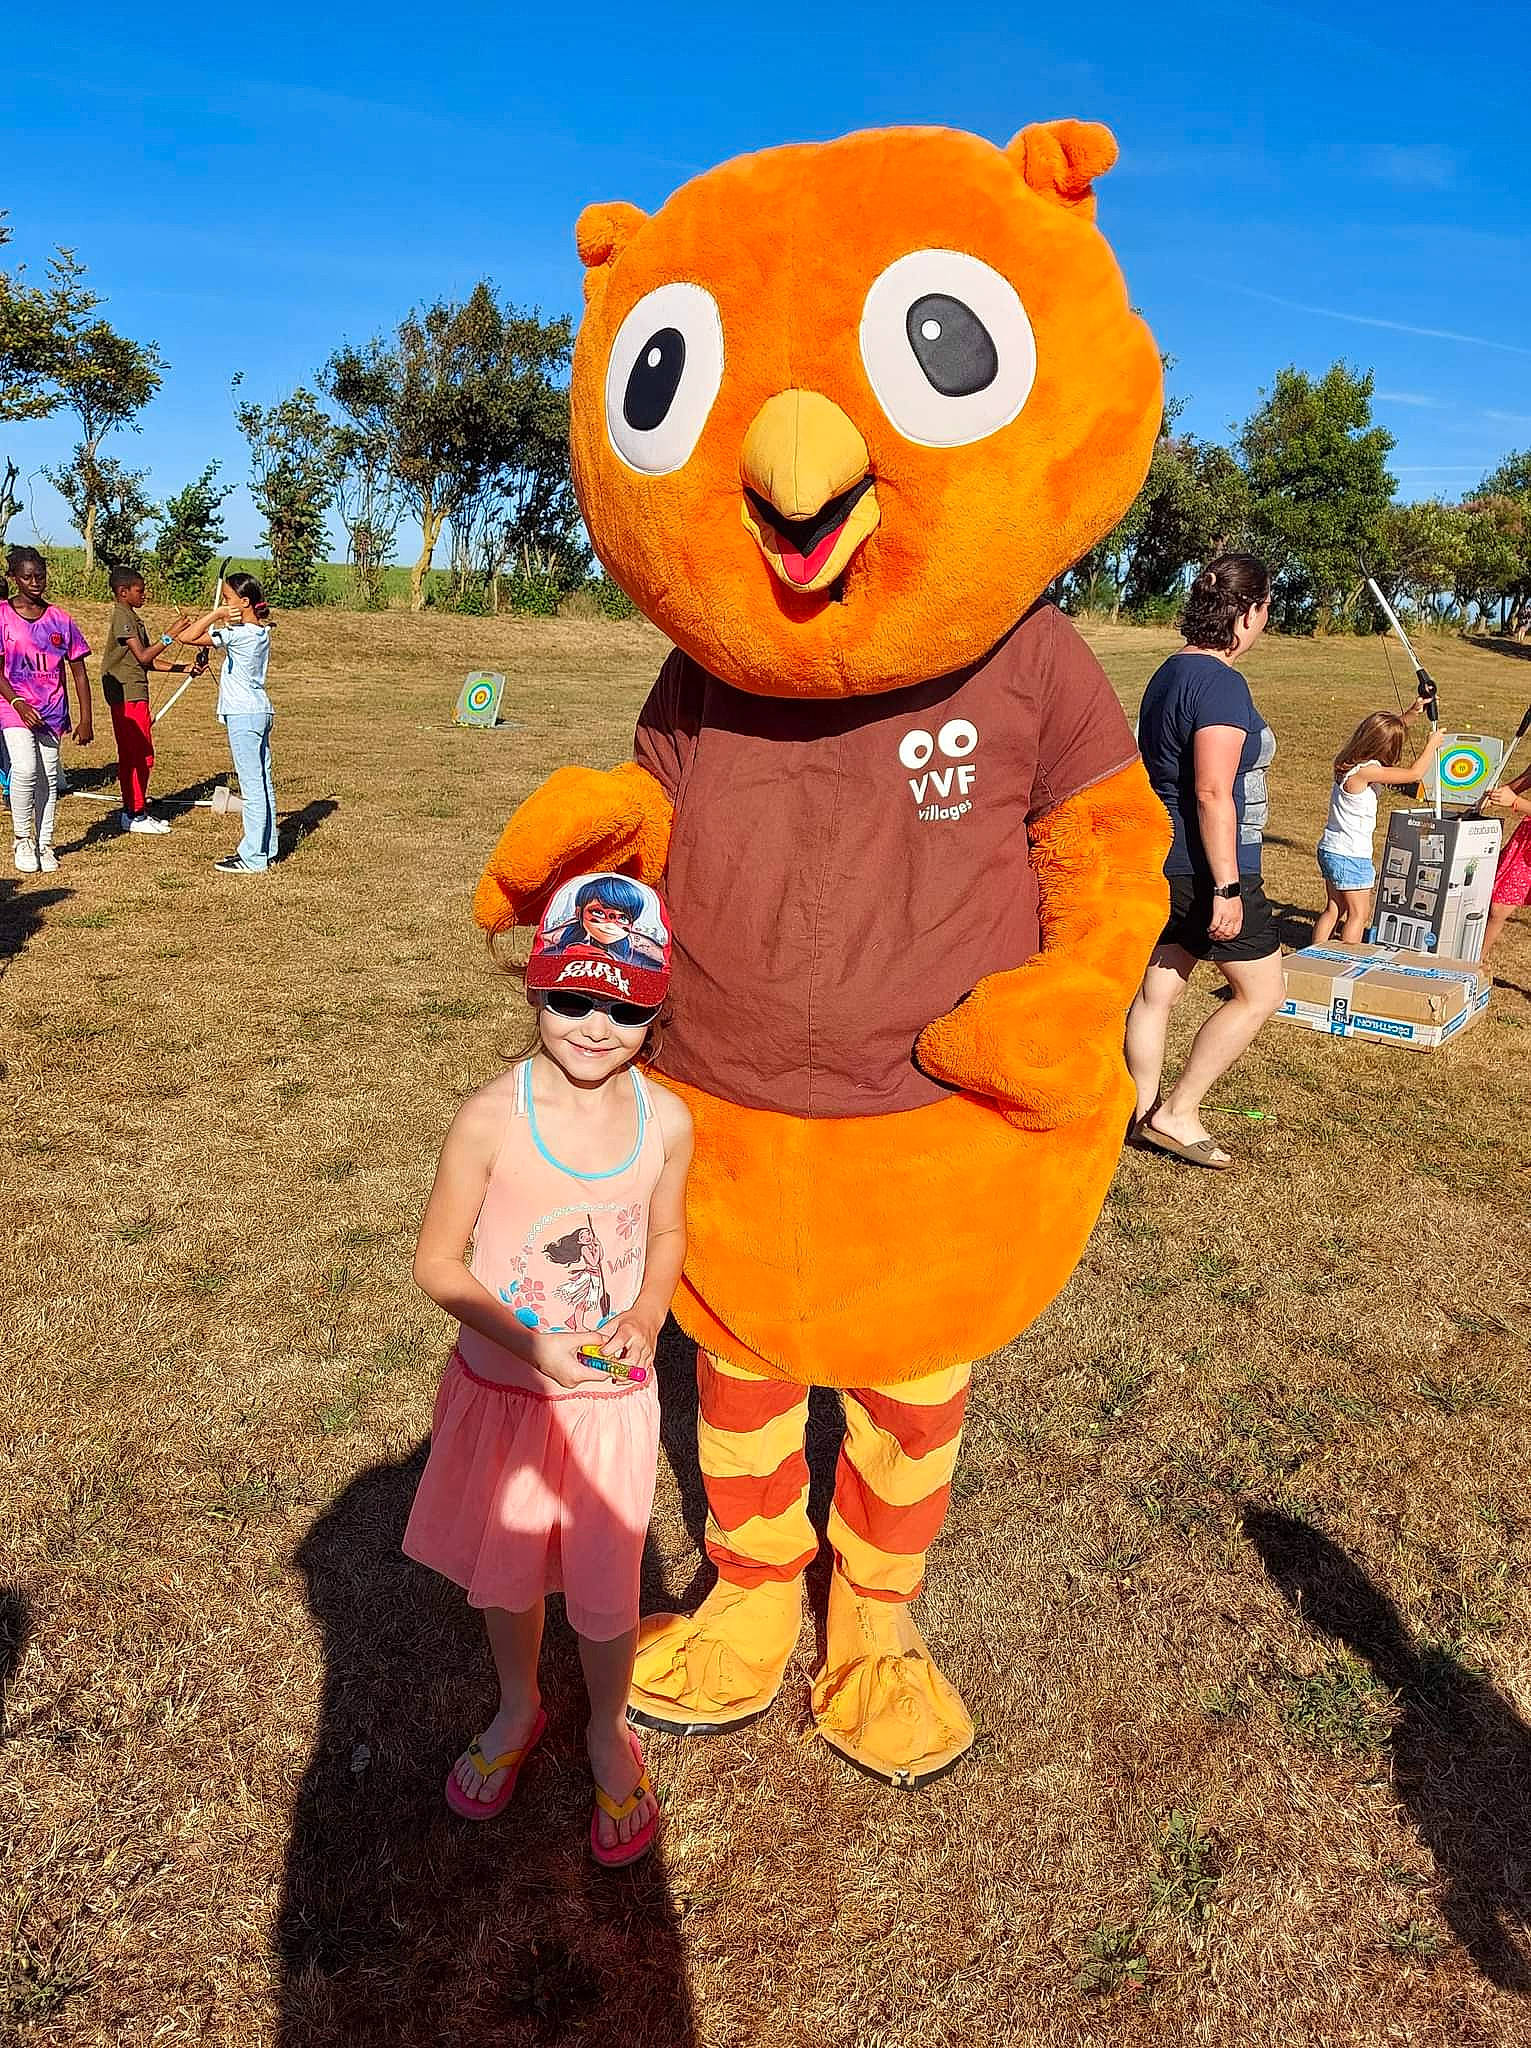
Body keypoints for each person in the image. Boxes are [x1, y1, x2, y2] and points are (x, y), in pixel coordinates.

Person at [403, 872, 693, 1866]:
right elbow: (437, 1264)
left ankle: (607, 1726)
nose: (595, 1025)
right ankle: (519, 1703)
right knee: (511, 1573)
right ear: (535, 989)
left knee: (608, 1584)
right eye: (572, 996)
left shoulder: (667, 1121)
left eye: (624, 1007)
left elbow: (666, 1231)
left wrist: (647, 1313)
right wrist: (535, 1348)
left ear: (654, 1012)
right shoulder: (490, 1117)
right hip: (509, 1396)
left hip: (611, 1404)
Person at [1125, 554, 1282, 1171]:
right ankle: (1177, 1113)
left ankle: (1141, 1113)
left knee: (1159, 987)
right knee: (1262, 993)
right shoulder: (1221, 684)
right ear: (1248, 613)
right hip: (1206, 865)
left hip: (1165, 858)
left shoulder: (1169, 672)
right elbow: (1213, 791)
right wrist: (1228, 887)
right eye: (1265, 609)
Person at [169, 572, 276, 874]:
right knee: (263, 784)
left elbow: (187, 637)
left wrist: (216, 614)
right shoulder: (259, 631)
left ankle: (253, 857)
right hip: (258, 711)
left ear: (245, 602)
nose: (226, 604)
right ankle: (266, 848)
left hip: (244, 715)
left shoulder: (239, 635)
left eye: (229, 599)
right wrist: (224, 618)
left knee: (252, 788)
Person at [1312, 701, 1443, 944]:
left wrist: (1413, 712)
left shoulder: (1348, 761)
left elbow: (1386, 731)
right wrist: (1431, 746)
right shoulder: (1367, 771)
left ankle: (1314, 955)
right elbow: (1414, 774)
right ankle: (1345, 959)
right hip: (1351, 856)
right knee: (1358, 915)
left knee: (1334, 909)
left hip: (1332, 848)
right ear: (1384, 747)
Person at [0, 546, 93, 874]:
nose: (35, 582)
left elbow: (79, 672)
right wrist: (17, 702)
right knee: (25, 769)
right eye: (27, 577)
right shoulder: (2, 615)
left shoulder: (60, 619)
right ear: (14, 578)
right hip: (13, 707)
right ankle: (22, 839)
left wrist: (86, 719)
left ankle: (44, 843)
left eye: (40, 576)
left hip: (51, 711)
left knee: (48, 778)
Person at [101, 565, 172, 835]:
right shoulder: (122, 616)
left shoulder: (131, 617)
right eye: (139, 591)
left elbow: (147, 660)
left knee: (137, 754)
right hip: (128, 694)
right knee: (138, 755)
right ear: (123, 592)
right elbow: (143, 656)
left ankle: (135, 809)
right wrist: (171, 636)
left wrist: (185, 668)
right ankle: (134, 813)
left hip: (134, 692)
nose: (144, 595)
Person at [1482, 768, 1531, 963]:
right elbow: (1522, 781)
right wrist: (1495, 796)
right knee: (1498, 906)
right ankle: (1474, 964)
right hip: (1527, 843)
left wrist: (1515, 802)